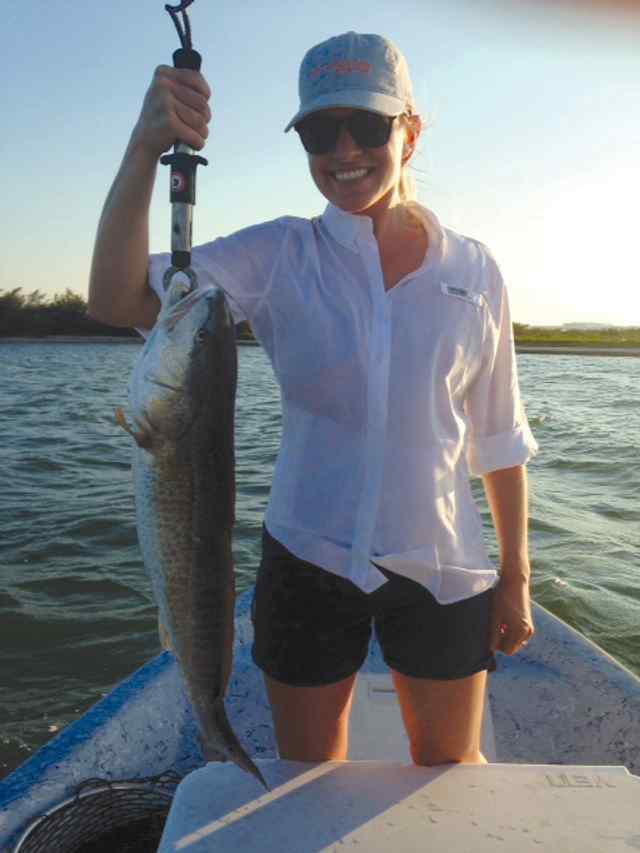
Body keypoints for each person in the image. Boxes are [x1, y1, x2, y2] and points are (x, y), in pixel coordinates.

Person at [88, 31, 539, 767]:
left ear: (410, 133)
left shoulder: (475, 270)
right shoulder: (279, 255)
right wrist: (145, 146)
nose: (344, 149)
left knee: (449, 778)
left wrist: (515, 577)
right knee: (309, 781)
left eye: (367, 125)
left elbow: (499, 437)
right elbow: (114, 300)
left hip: (444, 562)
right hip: (307, 557)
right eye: (320, 132)